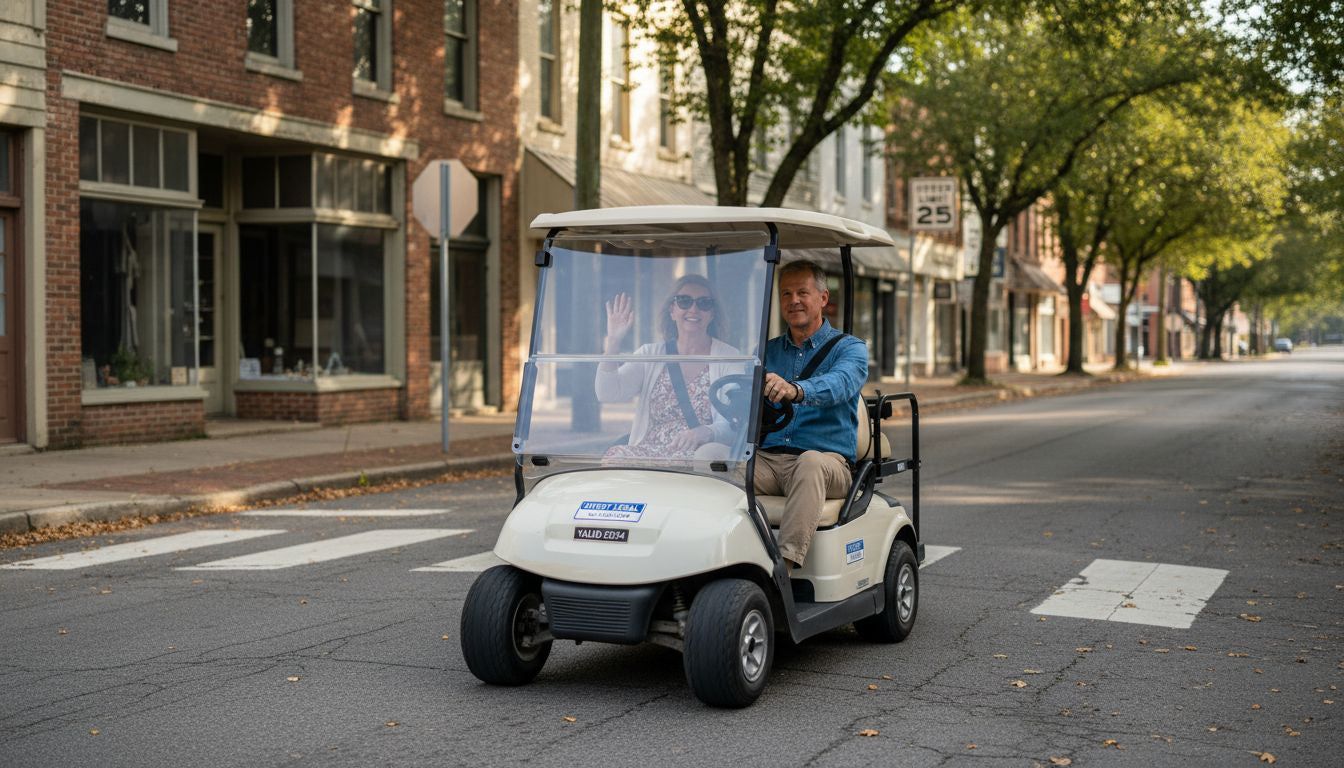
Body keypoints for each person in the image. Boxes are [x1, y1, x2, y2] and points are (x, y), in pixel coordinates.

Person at [756, 260, 867, 570]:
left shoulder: (851, 349)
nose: (793, 301)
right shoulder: (767, 351)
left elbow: (841, 383)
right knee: (722, 467)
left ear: (823, 298)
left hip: (827, 463)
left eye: (802, 292)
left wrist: (797, 390)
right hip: (770, 460)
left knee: (810, 463)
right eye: (786, 293)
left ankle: (782, 573)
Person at [596, 275, 742, 460]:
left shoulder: (730, 358)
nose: (693, 309)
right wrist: (614, 341)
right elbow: (607, 393)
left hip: (699, 454)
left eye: (704, 303)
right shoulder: (651, 354)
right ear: (672, 311)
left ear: (712, 313)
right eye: (684, 301)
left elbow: (735, 422)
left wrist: (705, 432)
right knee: (615, 456)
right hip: (649, 451)